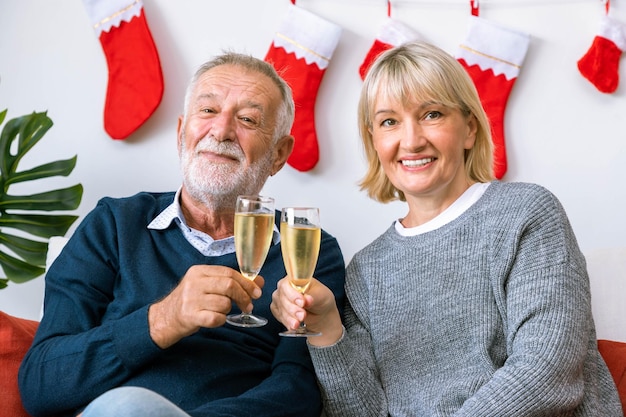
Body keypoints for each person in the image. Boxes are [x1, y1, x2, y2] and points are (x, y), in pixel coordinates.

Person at [270, 41, 623, 416]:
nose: (411, 140)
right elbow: (362, 411)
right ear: (374, 141)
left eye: (431, 114)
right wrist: (325, 326)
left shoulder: (527, 214)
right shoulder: (367, 270)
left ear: (469, 129)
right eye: (389, 121)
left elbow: (547, 374)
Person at [18, 52, 346, 417]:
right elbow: (40, 385)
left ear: (279, 154)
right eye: (207, 112)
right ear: (181, 133)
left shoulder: (305, 248)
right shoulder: (113, 223)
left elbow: (297, 392)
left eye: (248, 119)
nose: (220, 131)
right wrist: (162, 320)